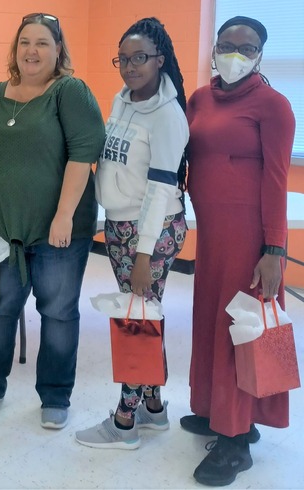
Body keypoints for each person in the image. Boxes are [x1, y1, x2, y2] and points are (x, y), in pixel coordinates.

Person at [0, 12, 105, 430]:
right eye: (25, 41)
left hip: (59, 232)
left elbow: (83, 155)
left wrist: (63, 217)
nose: (32, 50)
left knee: (58, 313)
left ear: (58, 50)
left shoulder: (69, 92)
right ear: (15, 49)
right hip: (3, 230)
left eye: (43, 42)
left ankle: (55, 396)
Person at [184, 16, 295, 486]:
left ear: (259, 55)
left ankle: (235, 439)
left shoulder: (273, 106)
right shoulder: (200, 98)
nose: (235, 53)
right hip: (211, 234)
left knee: (241, 325)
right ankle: (218, 409)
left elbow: (276, 181)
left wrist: (274, 248)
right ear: (214, 48)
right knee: (211, 317)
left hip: (250, 235)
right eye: (227, 45)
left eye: (246, 48)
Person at [74, 17, 189, 449]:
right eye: (122, 58)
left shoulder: (167, 115)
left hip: (150, 233)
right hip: (122, 226)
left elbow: (161, 191)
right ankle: (154, 409)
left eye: (139, 58)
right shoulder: (122, 100)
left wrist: (143, 255)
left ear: (159, 59)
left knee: (134, 321)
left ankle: (124, 421)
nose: (129, 66)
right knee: (145, 316)